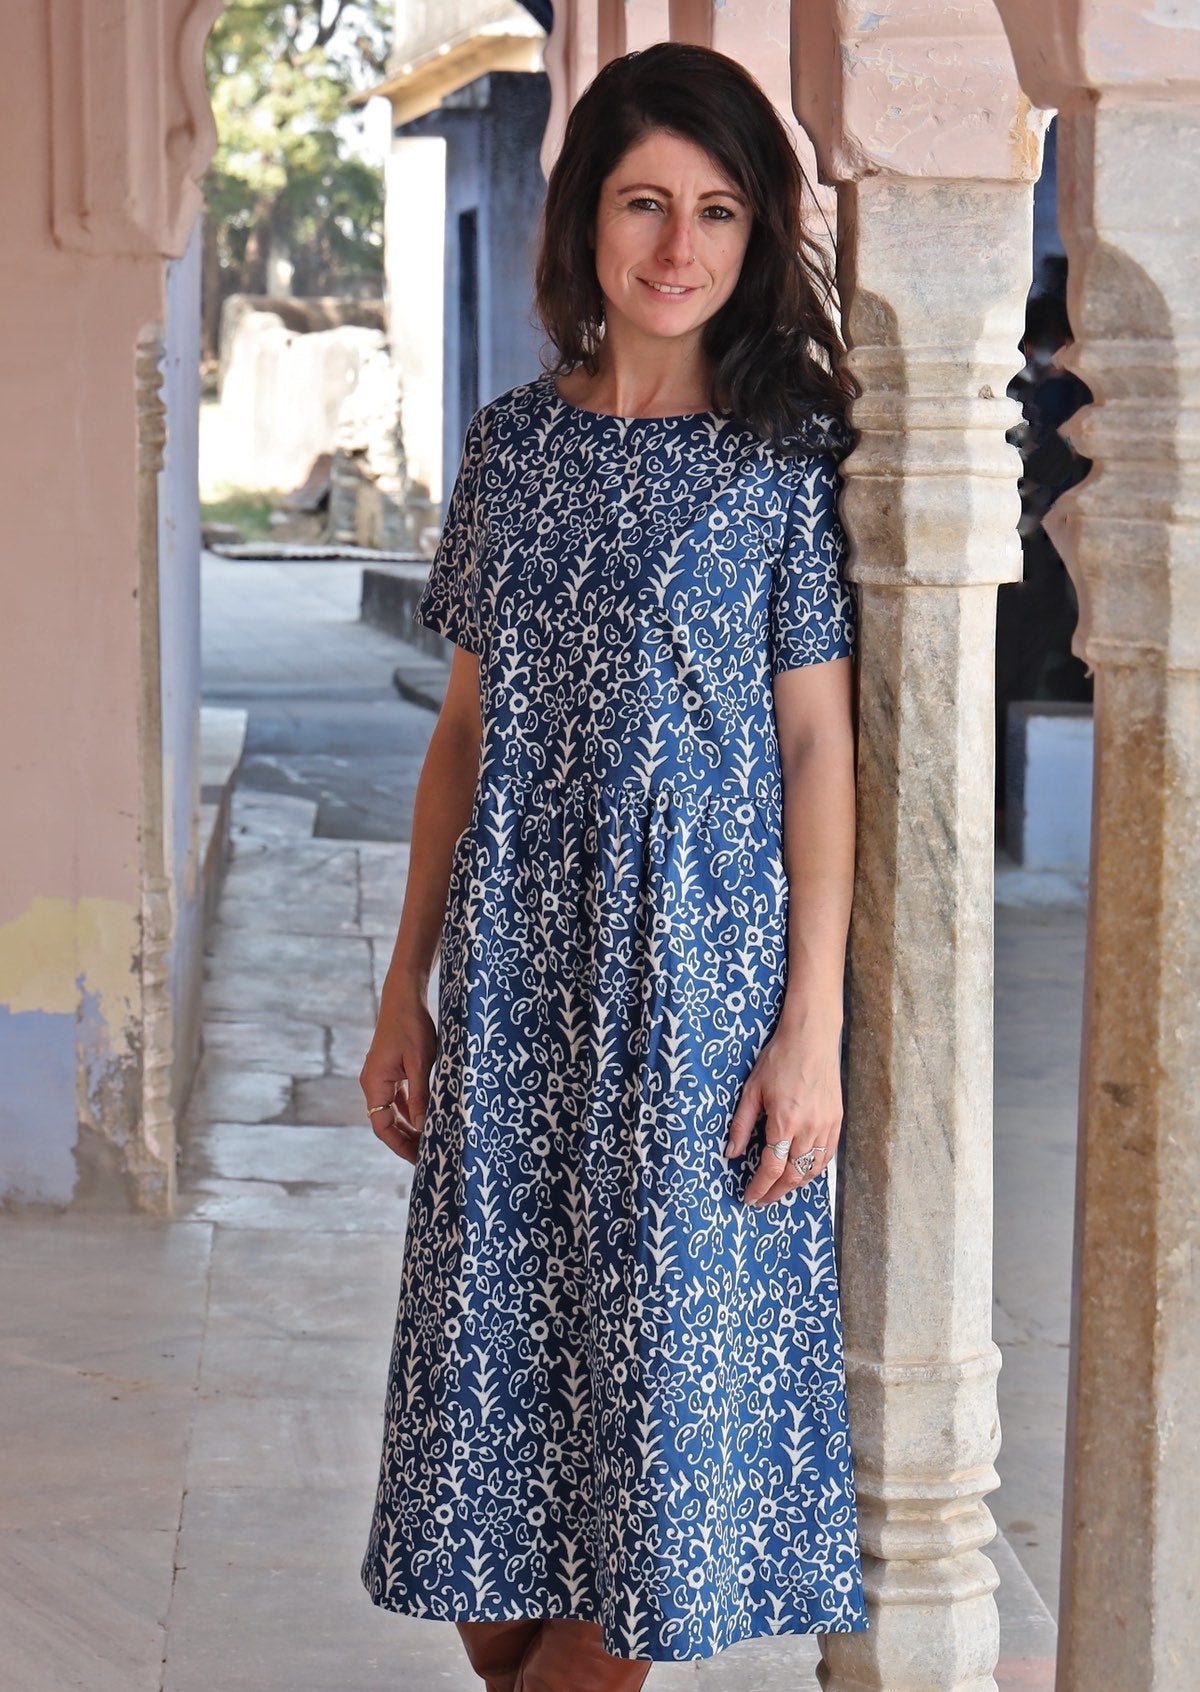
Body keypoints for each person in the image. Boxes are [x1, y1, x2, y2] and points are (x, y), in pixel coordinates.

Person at [358, 40, 869, 1691]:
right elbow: (462, 737)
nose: (679, 249)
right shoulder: (511, 450)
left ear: (755, 237)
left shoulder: (778, 461)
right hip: (515, 995)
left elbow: (817, 755)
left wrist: (810, 1029)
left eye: (718, 212)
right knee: (485, 1516)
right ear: (587, 219)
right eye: (646, 203)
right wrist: (403, 991)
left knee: (635, 1498)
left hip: (697, 1003)